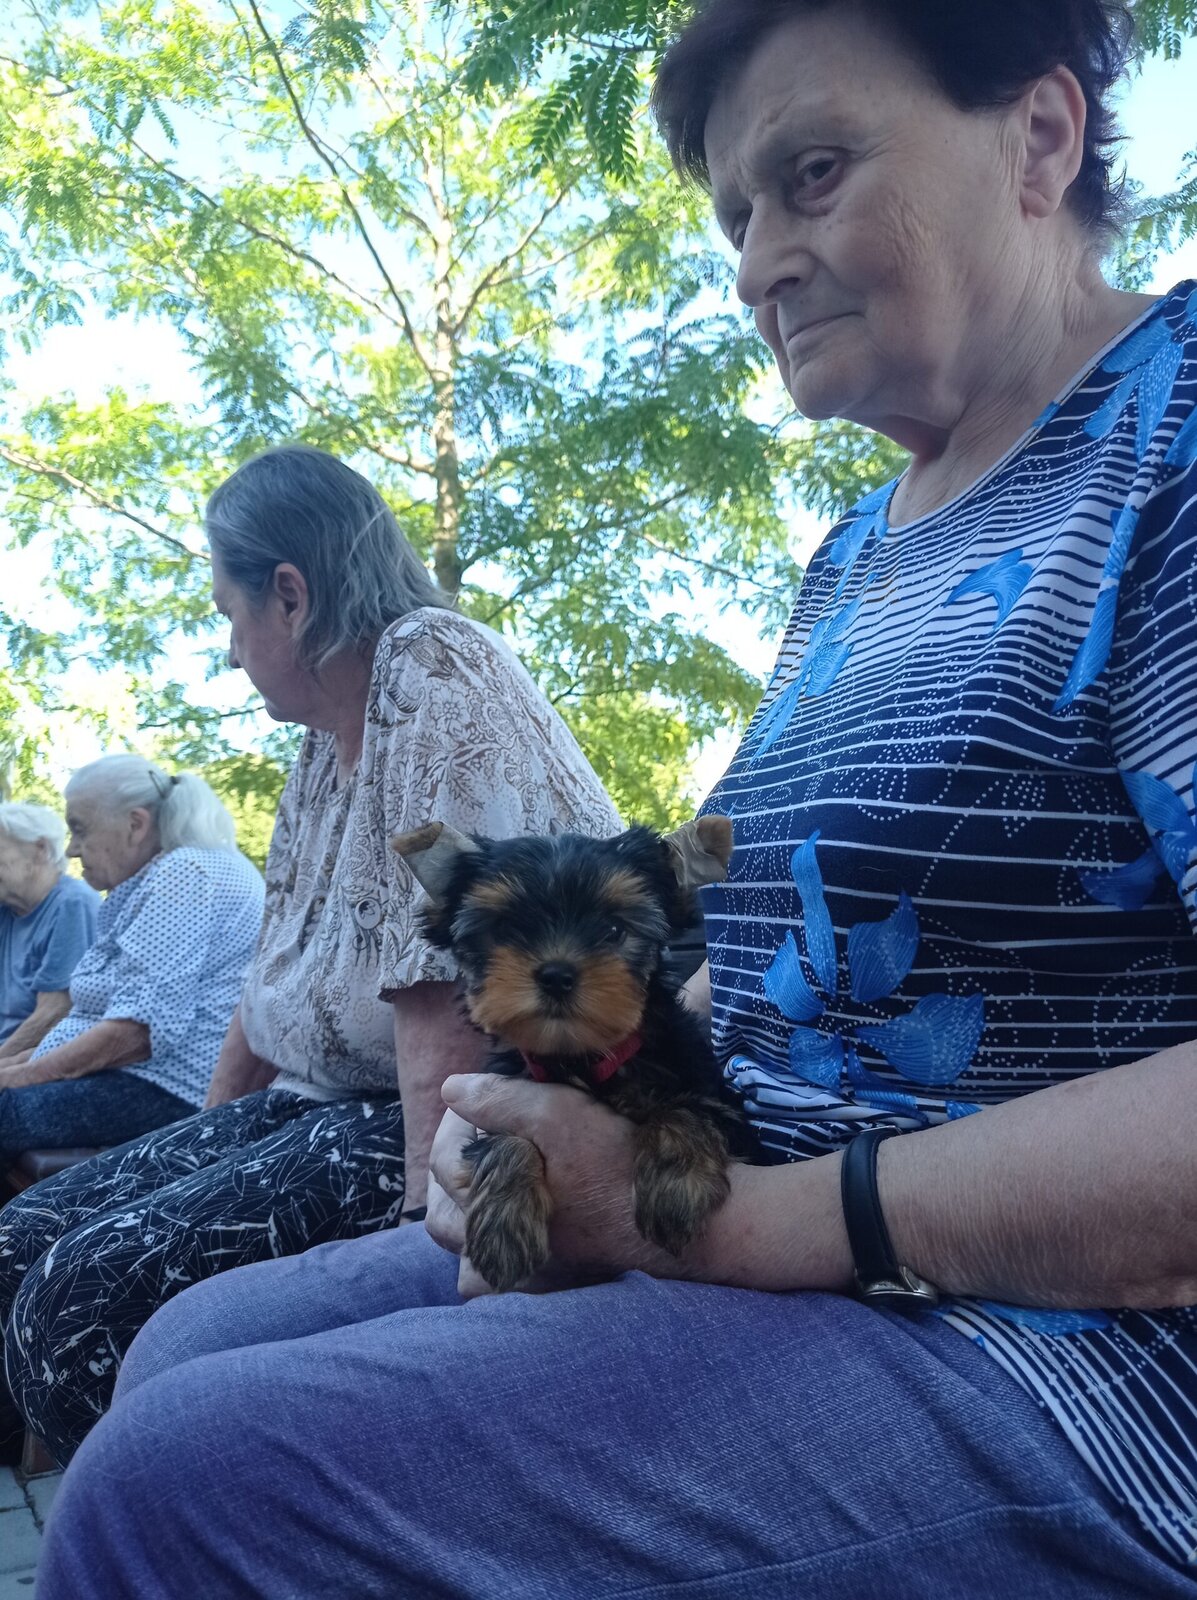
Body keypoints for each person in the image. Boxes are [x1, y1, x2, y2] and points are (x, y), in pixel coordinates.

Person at [34, 3, 1197, 1595]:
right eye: (735, 215)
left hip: (1062, 1357)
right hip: (753, 1215)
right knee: (181, 1346)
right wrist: (553, 1108)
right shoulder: (862, 554)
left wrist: (722, 1226)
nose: (757, 263)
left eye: (814, 173)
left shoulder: (1167, 443)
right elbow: (776, 960)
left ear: (1041, 138)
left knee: (181, 1492)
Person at [0, 443, 619, 1468]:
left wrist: (424, 1230)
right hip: (318, 1102)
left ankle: (180, 1509)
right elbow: (271, 977)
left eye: (228, 614)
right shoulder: (322, 743)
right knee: (19, 1242)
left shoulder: (429, 664)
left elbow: (443, 989)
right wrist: (198, 1145)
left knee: (75, 1315)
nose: (228, 651)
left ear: (289, 595)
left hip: (446, 1118)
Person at [0, 756, 262, 1165]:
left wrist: (17, 1077)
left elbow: (134, 1033)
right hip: (134, 1078)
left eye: (79, 829)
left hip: (164, 1088)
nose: (70, 849)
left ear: (136, 825)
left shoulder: (185, 874)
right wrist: (15, 1067)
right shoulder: (169, 874)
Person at [0, 802, 99, 1056]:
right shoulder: (6, 907)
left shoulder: (72, 905)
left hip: (33, 1059)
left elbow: (54, 1013)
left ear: (40, 849)